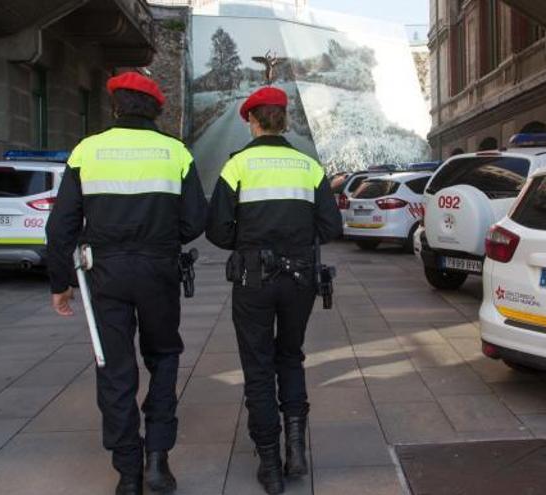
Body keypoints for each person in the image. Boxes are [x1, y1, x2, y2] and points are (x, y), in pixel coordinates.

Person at [46, 72, 207, 495]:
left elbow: (61, 225)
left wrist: (59, 282)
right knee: (164, 356)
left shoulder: (87, 151)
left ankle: (128, 474)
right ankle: (158, 460)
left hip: (105, 273)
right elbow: (195, 220)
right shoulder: (175, 152)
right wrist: (161, 240)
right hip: (158, 270)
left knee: (114, 369)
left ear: (115, 106)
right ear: (156, 109)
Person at [206, 86, 342, 495]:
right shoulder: (308, 166)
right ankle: (296, 449)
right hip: (300, 279)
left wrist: (248, 242)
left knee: (258, 366)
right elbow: (331, 228)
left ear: (252, 120)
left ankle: (269, 463)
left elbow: (216, 230)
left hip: (253, 280)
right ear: (284, 120)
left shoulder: (237, 166)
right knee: (291, 357)